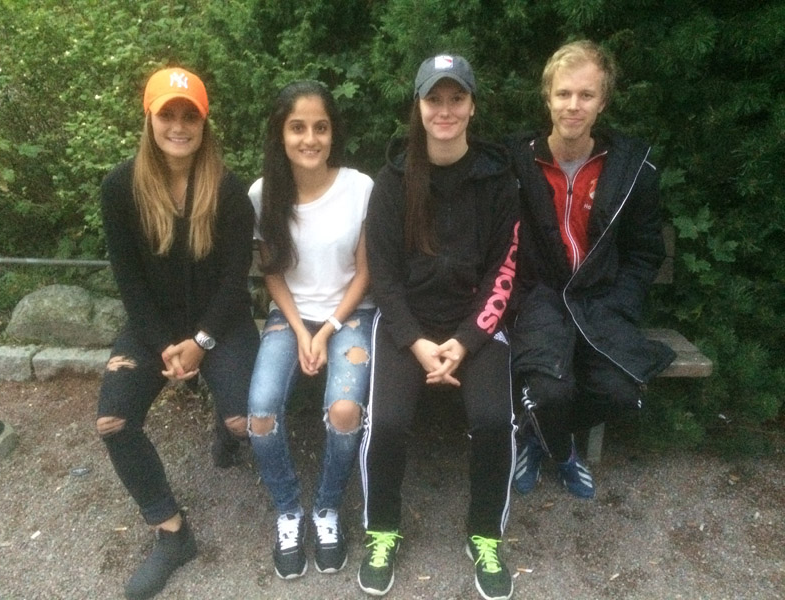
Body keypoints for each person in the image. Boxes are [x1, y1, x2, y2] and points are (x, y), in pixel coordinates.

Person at [358, 55, 519, 600]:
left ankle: (485, 534)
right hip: (408, 326)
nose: (445, 110)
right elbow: (383, 276)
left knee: (495, 421)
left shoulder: (498, 180)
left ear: (472, 106)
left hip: (475, 326)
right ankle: (382, 529)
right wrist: (418, 343)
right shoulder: (392, 181)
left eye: (456, 98)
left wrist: (467, 340)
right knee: (386, 422)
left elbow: (504, 270)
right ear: (419, 107)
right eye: (434, 99)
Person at [97, 67, 259, 600]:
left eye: (190, 115)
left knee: (245, 422)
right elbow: (128, 279)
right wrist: (166, 345)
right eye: (168, 114)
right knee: (113, 421)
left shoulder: (229, 190)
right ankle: (171, 532)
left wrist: (202, 342)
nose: (179, 126)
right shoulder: (119, 187)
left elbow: (235, 279)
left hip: (221, 321)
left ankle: (224, 427)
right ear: (149, 118)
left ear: (204, 123)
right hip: (154, 328)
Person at [504, 40, 675, 500]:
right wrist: (516, 301)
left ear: (603, 101)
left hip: (600, 303)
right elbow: (494, 242)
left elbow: (645, 253)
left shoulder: (631, 168)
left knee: (620, 392)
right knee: (550, 391)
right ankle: (562, 451)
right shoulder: (516, 161)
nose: (573, 105)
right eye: (563, 93)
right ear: (547, 97)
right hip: (538, 301)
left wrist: (620, 303)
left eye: (586, 95)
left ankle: (538, 434)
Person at [247, 80, 375, 580]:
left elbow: (365, 274)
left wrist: (327, 331)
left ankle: (326, 508)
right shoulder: (263, 194)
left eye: (320, 127)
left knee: (344, 410)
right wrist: (301, 330)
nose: (310, 139)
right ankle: (288, 510)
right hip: (291, 316)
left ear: (333, 133)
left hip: (350, 314)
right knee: (260, 413)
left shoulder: (359, 187)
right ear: (280, 134)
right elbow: (272, 273)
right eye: (297, 127)